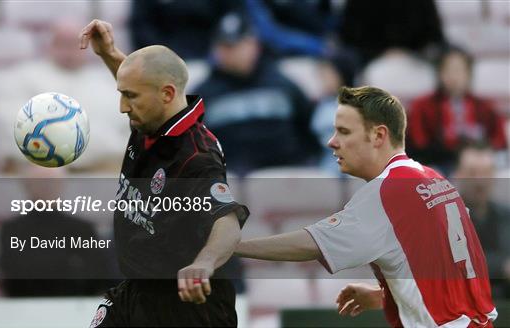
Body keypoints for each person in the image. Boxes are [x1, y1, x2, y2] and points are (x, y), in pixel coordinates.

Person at [235, 86, 497, 326]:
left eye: (344, 131)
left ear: (378, 135)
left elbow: (311, 243)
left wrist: (232, 246)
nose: (332, 141)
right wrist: (386, 295)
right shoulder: (434, 179)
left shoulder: (388, 191)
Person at [79, 19, 249, 327]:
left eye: (129, 97)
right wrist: (108, 53)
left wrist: (204, 264)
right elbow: (144, 83)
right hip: (137, 291)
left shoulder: (196, 157)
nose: (122, 107)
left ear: (167, 95)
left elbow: (226, 220)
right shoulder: (149, 117)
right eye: (123, 93)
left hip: (187, 306)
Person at [0, 19, 129, 174]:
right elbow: (9, 123)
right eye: (62, 43)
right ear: (48, 45)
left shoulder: (108, 82)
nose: (70, 50)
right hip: (41, 169)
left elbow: (126, 135)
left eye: (76, 43)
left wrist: (58, 137)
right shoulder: (22, 77)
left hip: (100, 168)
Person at [195, 12, 318, 175]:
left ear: (254, 45)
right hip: (228, 182)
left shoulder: (282, 85)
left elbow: (308, 130)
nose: (229, 53)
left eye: (235, 45)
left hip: (288, 175)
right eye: (223, 46)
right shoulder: (204, 94)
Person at [0, 166, 111, 296]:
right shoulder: (11, 230)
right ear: (27, 185)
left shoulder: (82, 229)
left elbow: (97, 276)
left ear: (61, 184)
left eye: (51, 182)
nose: (46, 187)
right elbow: (12, 276)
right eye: (41, 182)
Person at [407, 46, 508, 175]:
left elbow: (499, 142)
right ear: (439, 73)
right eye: (448, 70)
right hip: (440, 165)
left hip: (479, 166)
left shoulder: (485, 107)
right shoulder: (422, 106)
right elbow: (418, 144)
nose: (454, 77)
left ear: (469, 74)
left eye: (459, 70)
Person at [453, 143, 510, 299]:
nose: (480, 181)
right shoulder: (443, 218)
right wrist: (502, 267)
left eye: (486, 172)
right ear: (458, 174)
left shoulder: (505, 216)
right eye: (472, 173)